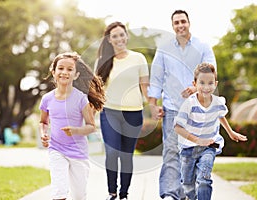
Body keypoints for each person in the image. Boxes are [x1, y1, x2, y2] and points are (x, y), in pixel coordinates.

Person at [148, 10, 216, 200]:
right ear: (172, 26)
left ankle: (189, 193)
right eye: (176, 23)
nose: (180, 25)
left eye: (183, 21)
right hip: (172, 108)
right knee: (171, 150)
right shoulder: (164, 49)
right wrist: (153, 104)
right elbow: (156, 77)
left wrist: (196, 88)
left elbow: (211, 72)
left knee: (194, 151)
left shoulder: (202, 47)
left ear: (189, 23)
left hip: (198, 109)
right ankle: (170, 194)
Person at [174, 62, 248, 200]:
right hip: (188, 148)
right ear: (194, 83)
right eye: (202, 83)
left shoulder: (218, 102)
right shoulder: (189, 104)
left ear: (215, 83)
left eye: (210, 83)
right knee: (188, 185)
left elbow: (220, 115)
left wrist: (231, 133)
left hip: (209, 146)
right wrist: (197, 140)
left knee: (204, 179)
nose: (206, 87)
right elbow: (178, 127)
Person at [94, 21, 149, 200]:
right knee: (112, 152)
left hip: (133, 113)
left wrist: (154, 106)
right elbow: (96, 90)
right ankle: (112, 192)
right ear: (109, 40)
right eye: (114, 36)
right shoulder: (102, 61)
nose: (119, 39)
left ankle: (124, 194)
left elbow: (145, 87)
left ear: (127, 36)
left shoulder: (138, 58)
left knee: (126, 156)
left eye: (121, 35)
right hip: (109, 112)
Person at [39, 52, 105, 200]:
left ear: (76, 75)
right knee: (59, 191)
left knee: (79, 195)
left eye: (70, 69)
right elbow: (43, 121)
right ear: (53, 72)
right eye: (61, 68)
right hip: (56, 149)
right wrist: (43, 133)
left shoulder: (81, 99)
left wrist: (76, 130)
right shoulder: (47, 99)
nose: (64, 72)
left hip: (78, 153)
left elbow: (91, 126)